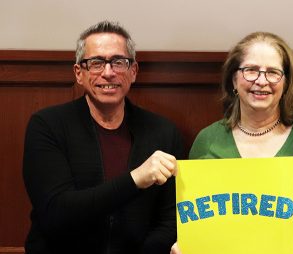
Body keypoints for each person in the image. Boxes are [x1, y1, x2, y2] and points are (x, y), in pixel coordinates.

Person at [171, 32, 293, 254]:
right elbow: (191, 215)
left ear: (286, 83)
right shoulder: (207, 140)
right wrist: (188, 245)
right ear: (233, 79)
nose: (261, 80)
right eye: (251, 70)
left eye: (273, 72)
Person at [22, 20, 184, 254]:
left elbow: (171, 220)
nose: (108, 73)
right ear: (79, 73)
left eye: (119, 62)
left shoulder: (164, 132)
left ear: (133, 71)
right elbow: (55, 212)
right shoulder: (47, 125)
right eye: (96, 63)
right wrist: (135, 179)